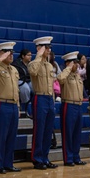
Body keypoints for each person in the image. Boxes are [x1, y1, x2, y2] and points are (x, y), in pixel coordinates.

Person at [0, 41, 21, 173]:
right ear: (1, 53)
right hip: (1, 104)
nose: (11, 55)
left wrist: (18, 106)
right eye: (8, 52)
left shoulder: (14, 70)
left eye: (12, 53)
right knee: (1, 136)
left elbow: (16, 89)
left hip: (13, 105)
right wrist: (0, 59)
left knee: (12, 136)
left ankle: (8, 163)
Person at [28, 36, 58, 169]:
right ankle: (37, 158)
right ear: (39, 49)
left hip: (49, 99)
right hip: (39, 98)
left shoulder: (49, 65)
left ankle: (45, 157)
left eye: (49, 47)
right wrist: (38, 56)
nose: (49, 50)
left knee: (48, 130)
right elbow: (32, 71)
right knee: (39, 130)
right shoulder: (35, 63)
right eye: (46, 48)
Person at [57, 51, 86, 166]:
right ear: (68, 63)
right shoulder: (65, 74)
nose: (77, 65)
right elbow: (60, 79)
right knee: (68, 133)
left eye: (77, 63)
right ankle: (68, 158)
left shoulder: (77, 76)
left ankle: (76, 156)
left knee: (77, 133)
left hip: (78, 106)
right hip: (68, 105)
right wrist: (68, 68)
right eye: (74, 63)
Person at [14, 48, 32, 116]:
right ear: (23, 56)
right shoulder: (17, 63)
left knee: (35, 87)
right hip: (20, 80)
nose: (30, 57)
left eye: (30, 55)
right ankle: (25, 105)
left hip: (29, 80)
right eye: (28, 55)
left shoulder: (30, 63)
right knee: (25, 88)